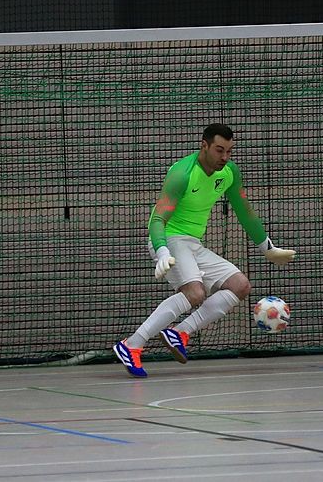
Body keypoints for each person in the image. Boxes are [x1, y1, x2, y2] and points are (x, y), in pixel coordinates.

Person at [113, 123, 296, 377]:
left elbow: (245, 212)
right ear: (204, 146)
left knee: (240, 285)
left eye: (229, 151)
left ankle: (180, 333)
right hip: (169, 238)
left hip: (193, 244)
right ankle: (132, 344)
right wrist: (162, 251)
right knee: (195, 292)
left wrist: (267, 247)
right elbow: (157, 219)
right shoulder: (182, 173)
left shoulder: (229, 172)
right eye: (219, 150)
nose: (225, 157)